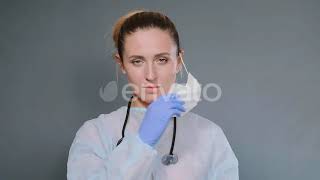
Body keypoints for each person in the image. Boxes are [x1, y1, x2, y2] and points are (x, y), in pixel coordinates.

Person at [67, 10, 239, 180]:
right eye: (137, 61)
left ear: (178, 62)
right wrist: (142, 142)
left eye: (161, 60)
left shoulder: (209, 135)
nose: (151, 74)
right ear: (122, 64)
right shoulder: (96, 133)